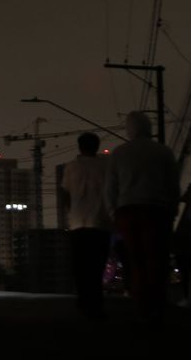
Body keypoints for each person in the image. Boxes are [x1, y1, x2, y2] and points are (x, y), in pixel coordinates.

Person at [105, 111, 180, 323]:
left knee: (136, 259)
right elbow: (173, 185)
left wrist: (114, 212)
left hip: (128, 211)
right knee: (157, 257)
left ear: (130, 129)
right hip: (158, 210)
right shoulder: (164, 152)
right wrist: (172, 209)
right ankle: (158, 303)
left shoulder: (119, 153)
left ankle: (142, 305)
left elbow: (110, 188)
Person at [60, 132, 112, 320]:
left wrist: (70, 212)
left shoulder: (71, 167)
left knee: (81, 266)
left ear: (79, 146)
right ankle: (96, 304)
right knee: (97, 266)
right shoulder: (106, 166)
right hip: (100, 222)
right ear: (97, 146)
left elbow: (65, 193)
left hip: (77, 223)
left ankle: (83, 303)